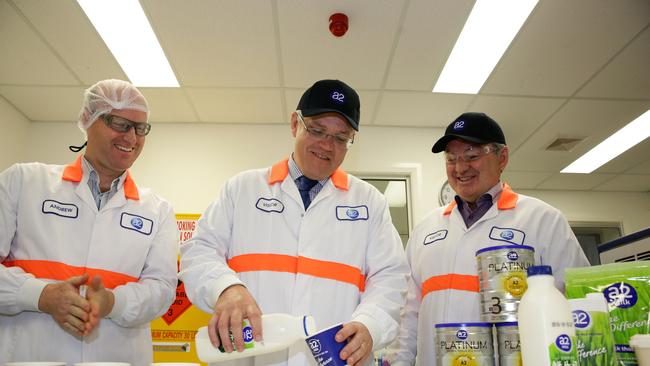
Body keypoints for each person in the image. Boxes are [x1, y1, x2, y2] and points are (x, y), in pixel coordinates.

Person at [179, 79, 409, 366]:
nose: (327, 145)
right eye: (317, 130)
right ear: (294, 124)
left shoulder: (369, 202)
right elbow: (199, 251)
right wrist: (226, 287)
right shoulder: (242, 189)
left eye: (341, 138)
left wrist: (370, 324)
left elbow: (391, 278)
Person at [386, 112, 590, 365]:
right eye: (451, 159)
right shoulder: (426, 229)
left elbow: (579, 304)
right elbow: (408, 314)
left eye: (472, 156)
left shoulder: (542, 220)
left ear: (501, 157)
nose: (460, 168)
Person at [0, 79, 178, 365]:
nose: (131, 138)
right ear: (87, 119)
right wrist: (40, 294)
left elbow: (161, 290)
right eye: (119, 123)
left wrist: (111, 303)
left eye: (140, 128)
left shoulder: (158, 210)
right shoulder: (23, 182)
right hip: (29, 355)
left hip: (117, 357)